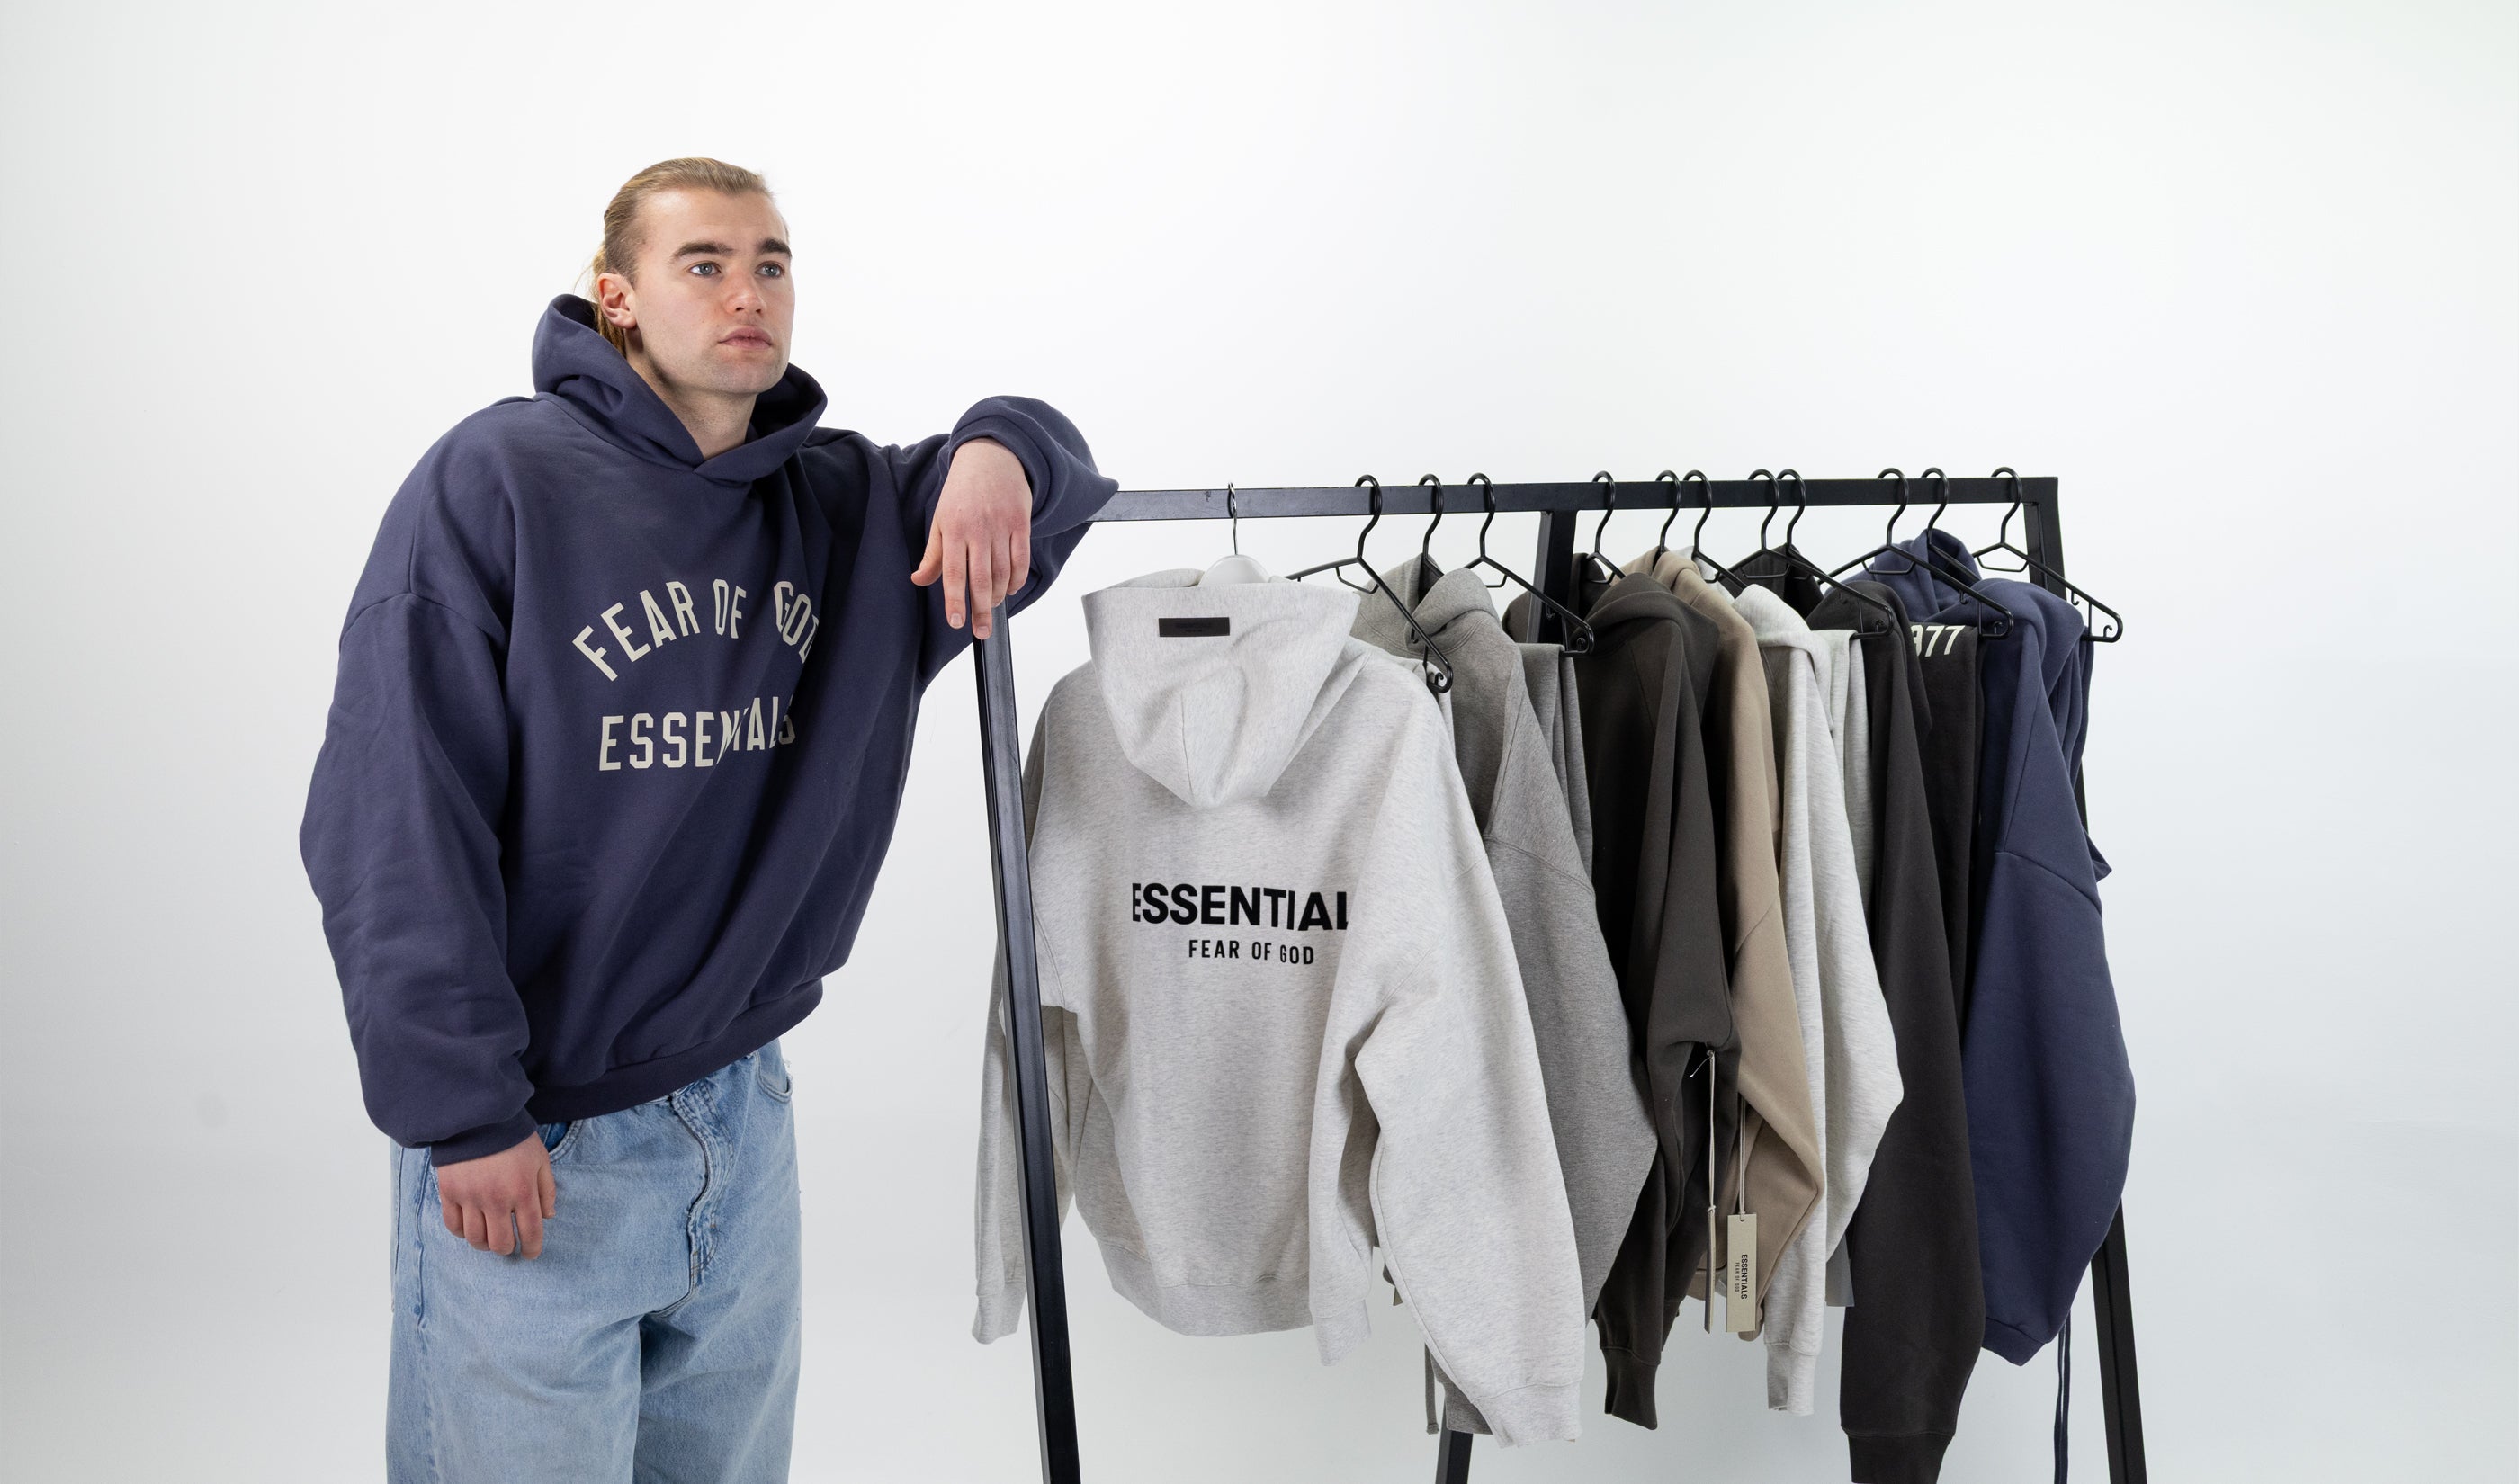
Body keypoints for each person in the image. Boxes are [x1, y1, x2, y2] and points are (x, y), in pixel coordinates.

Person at [298, 156, 1114, 1482]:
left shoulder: (839, 509)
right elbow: (390, 813)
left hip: (744, 1110)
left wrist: (996, 449)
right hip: (538, 1131)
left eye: (772, 263)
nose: (750, 293)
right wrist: (463, 1109)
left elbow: (1056, 472)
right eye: (706, 263)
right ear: (615, 298)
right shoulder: (496, 480)